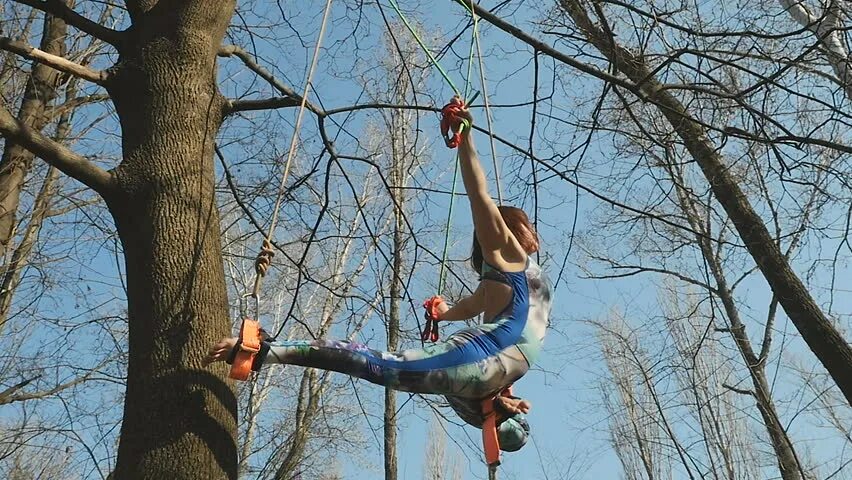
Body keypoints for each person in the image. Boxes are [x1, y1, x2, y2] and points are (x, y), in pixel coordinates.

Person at [204, 99, 552, 452]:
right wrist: (443, 313)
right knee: (490, 414)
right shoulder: (529, 281)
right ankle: (499, 411)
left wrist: (466, 140)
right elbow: (473, 304)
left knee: (372, 362)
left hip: (481, 365)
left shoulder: (504, 251)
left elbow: (480, 198)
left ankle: (261, 350)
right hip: (499, 374)